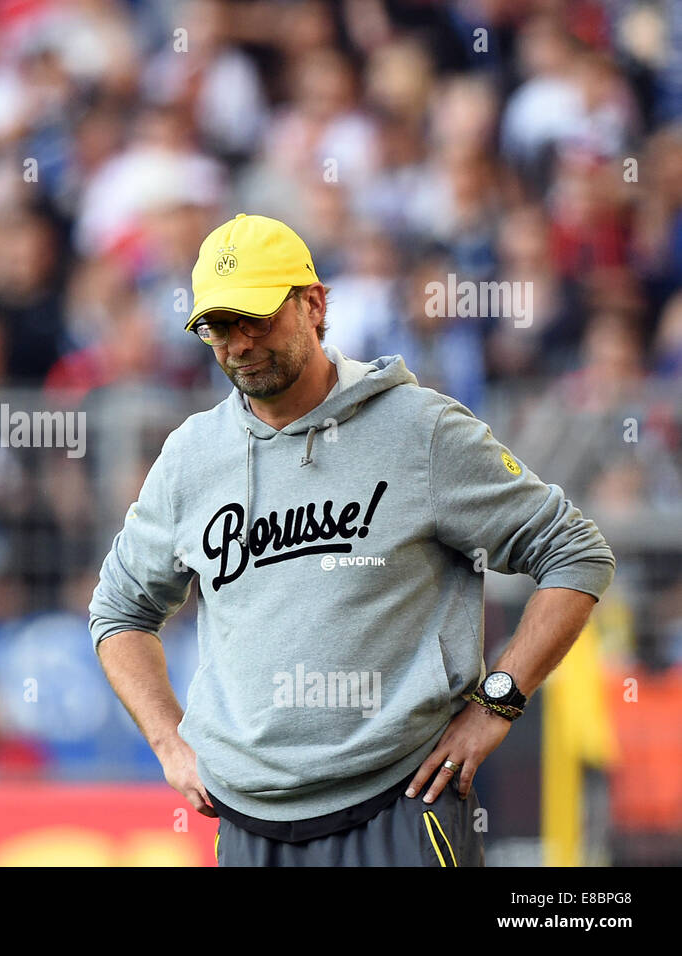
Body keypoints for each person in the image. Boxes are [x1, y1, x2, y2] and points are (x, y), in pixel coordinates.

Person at [88, 214, 616, 866]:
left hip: (399, 806)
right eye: (219, 326)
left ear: (314, 304)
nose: (240, 343)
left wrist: (497, 703)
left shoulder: (417, 430)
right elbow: (119, 613)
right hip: (250, 822)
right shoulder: (190, 458)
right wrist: (171, 744)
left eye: (256, 317)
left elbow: (575, 553)